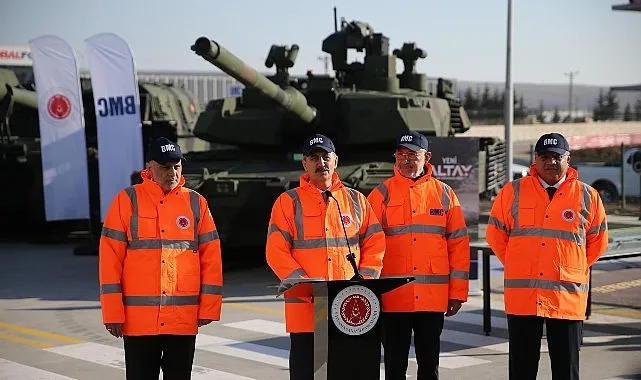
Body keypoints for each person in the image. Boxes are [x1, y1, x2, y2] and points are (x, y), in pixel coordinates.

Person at [486, 133, 608, 380]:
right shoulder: (513, 192)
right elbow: (496, 235)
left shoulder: (588, 196)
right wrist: (518, 263)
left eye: (557, 156)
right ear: (535, 159)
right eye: (545, 156)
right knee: (522, 370)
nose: (550, 162)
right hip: (524, 298)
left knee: (566, 370)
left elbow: (598, 242)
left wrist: (574, 267)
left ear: (568, 159)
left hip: (567, 299)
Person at [98, 137, 223, 380]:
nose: (172, 172)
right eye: (165, 167)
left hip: (181, 318)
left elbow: (212, 259)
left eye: (177, 166)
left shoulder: (196, 203)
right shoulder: (127, 200)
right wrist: (112, 312)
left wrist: (209, 306)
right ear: (150, 168)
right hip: (139, 321)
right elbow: (110, 260)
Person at [265, 133, 386, 380]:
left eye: (325, 157)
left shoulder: (356, 200)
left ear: (336, 161)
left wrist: (363, 280)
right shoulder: (289, 202)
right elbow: (275, 250)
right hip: (308, 311)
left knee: (349, 373)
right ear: (305, 164)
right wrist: (306, 285)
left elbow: (375, 242)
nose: (321, 163)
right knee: (308, 374)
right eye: (314, 157)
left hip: (349, 307)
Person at [367, 131, 471, 380]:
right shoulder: (380, 195)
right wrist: (369, 290)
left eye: (413, 154)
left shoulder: (445, 195)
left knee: (429, 366)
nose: (406, 160)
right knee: (394, 366)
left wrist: (457, 293)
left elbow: (458, 245)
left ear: (427, 157)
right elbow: (367, 245)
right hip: (393, 298)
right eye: (402, 154)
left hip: (431, 299)